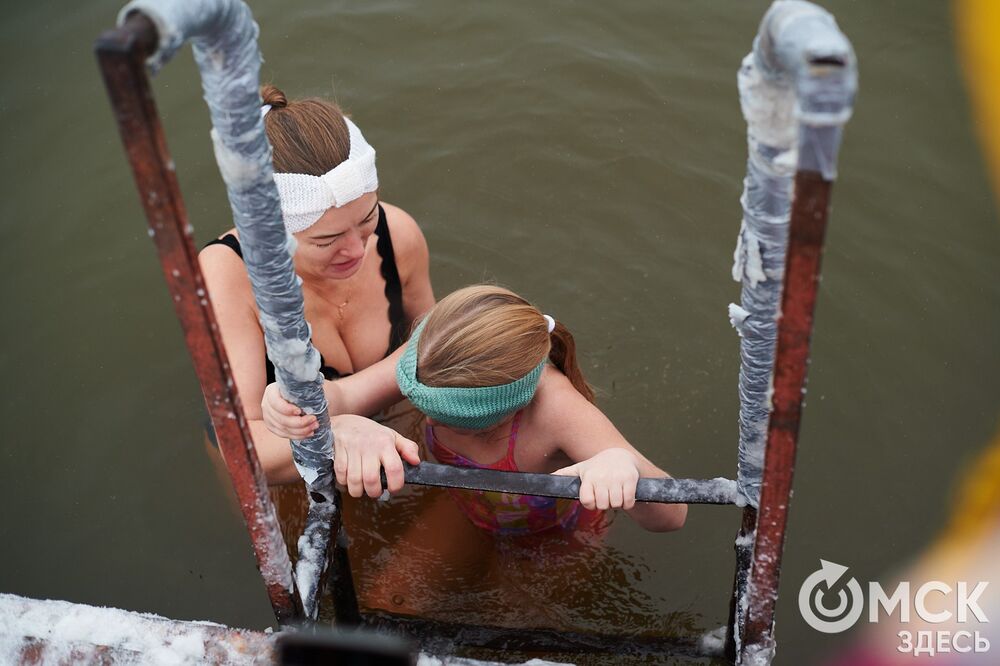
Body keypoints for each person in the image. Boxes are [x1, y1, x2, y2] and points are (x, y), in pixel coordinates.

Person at [265, 285, 688, 534]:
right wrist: (300, 404)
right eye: (419, 403)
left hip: (552, 535)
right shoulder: (433, 354)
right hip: (469, 512)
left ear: (508, 411)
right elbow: (342, 397)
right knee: (385, 601)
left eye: (459, 425)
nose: (428, 422)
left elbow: (672, 515)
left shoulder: (557, 409)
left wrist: (621, 465)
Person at [199, 85, 434, 484]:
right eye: (326, 241)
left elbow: (438, 347)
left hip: (394, 432)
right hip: (284, 463)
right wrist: (335, 430)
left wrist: (344, 402)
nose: (357, 251)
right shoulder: (227, 274)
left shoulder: (397, 234)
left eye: (366, 219)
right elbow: (240, 444)